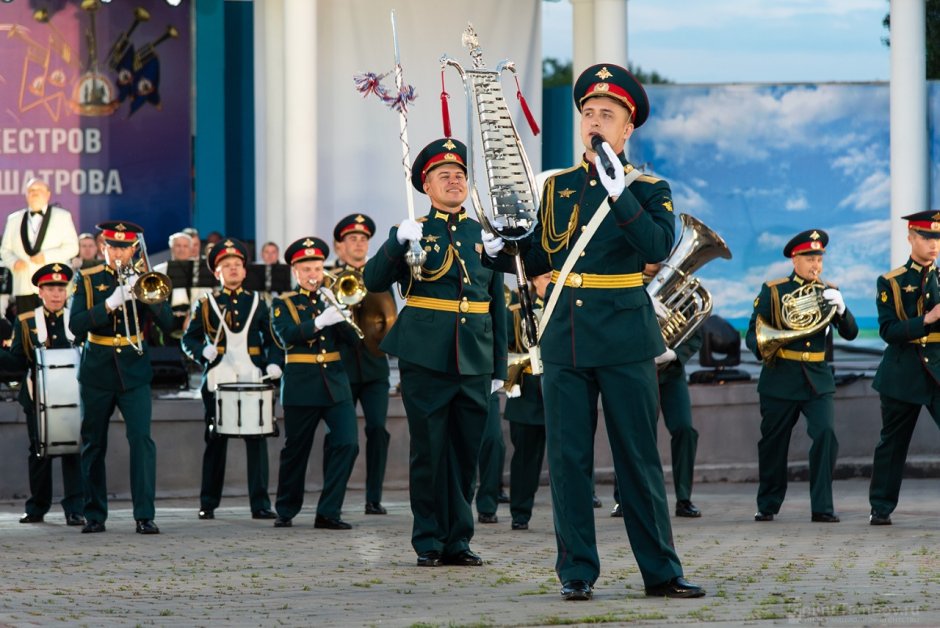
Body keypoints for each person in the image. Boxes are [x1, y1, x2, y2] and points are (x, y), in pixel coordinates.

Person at [481, 64, 703, 600]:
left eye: (608, 114)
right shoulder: (553, 186)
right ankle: (576, 571)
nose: (596, 122)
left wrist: (617, 191)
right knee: (568, 459)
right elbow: (532, 254)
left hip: (625, 334)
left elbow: (655, 247)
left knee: (637, 458)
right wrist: (498, 250)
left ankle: (661, 571)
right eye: (589, 113)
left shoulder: (649, 188)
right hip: (566, 336)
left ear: (629, 129)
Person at [364, 137, 507, 568]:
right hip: (426, 355)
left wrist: (498, 365)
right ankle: (428, 538)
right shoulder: (412, 230)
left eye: (460, 175)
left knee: (467, 452)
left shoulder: (483, 234)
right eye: (443, 176)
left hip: (475, 356)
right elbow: (373, 280)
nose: (453, 181)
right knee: (429, 451)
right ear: (426, 185)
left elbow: (495, 303)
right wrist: (395, 243)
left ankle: (458, 540)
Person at [745, 229, 858, 523]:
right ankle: (768, 503)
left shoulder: (828, 291)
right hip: (780, 376)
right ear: (795, 259)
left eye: (819, 259)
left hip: (817, 378)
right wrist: (765, 343)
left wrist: (842, 308)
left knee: (826, 435)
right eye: (810, 259)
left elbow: (850, 333)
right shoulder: (774, 290)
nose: (816, 265)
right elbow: (752, 336)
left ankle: (822, 506)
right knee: (773, 443)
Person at [69, 221, 175, 534]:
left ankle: (145, 514)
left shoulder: (145, 277)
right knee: (94, 443)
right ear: (103, 246)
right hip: (98, 369)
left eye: (124, 247)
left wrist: (146, 297)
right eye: (113, 246)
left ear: (133, 249)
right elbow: (75, 326)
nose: (118, 252)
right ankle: (94, 514)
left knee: (142, 441)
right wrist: (110, 303)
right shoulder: (88, 278)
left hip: (135, 369)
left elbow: (168, 323)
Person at [181, 238, 281, 521]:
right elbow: (188, 339)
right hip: (218, 377)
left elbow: (274, 338)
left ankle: (260, 504)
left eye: (238, 265)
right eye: (227, 265)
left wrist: (275, 361)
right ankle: (208, 503)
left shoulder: (259, 302)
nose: (233, 269)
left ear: (245, 271)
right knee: (215, 439)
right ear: (217, 273)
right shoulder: (206, 302)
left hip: (252, 375)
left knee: (257, 439)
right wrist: (202, 350)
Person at [270, 237, 360, 530]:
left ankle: (329, 511)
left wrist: (344, 315)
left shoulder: (332, 296)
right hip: (301, 384)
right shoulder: (283, 303)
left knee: (347, 443)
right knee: (296, 449)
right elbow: (287, 335)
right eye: (307, 269)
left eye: (318, 268)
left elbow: (354, 341)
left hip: (335, 383)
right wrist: (320, 321)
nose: (313, 275)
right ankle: (286, 508)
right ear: (295, 270)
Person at [612, 262, 703, 519]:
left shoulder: (681, 288)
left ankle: (684, 498)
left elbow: (695, 330)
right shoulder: (626, 280)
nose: (657, 259)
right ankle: (624, 499)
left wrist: (675, 353)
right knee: (634, 432)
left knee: (685, 429)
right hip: (638, 372)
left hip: (671, 372)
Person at [869, 211, 940, 525]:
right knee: (893, 444)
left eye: (937, 238)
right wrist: (926, 319)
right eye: (927, 237)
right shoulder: (891, 281)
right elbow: (888, 331)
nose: (934, 244)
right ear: (911, 238)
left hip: (938, 371)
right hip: (903, 371)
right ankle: (880, 507)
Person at [3, 263, 84, 526]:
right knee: (39, 450)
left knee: (73, 451)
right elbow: (16, 361)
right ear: (40, 291)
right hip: (37, 396)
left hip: (73, 397)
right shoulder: (26, 321)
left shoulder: (78, 319)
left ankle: (75, 508)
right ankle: (37, 506)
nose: (56, 294)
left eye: (61, 288)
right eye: (50, 288)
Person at [326, 214, 392, 515]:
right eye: (352, 239)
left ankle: (373, 497)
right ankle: (332, 497)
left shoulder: (379, 276)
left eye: (363, 239)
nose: (359, 243)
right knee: (339, 435)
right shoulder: (329, 278)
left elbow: (387, 317)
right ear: (340, 247)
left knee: (378, 429)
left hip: (375, 366)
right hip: (343, 367)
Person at [503, 272, 551, 531]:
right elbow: (504, 344)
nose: (550, 280)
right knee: (525, 459)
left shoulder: (563, 304)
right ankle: (520, 512)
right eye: (545, 277)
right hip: (527, 390)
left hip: (557, 388)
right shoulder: (516, 310)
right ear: (532, 279)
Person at [1, 178, 79, 315]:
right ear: (26, 194)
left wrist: (46, 256)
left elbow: (73, 247)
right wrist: (13, 262)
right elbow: (5, 250)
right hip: (23, 286)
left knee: (54, 330)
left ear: (48, 194)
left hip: (53, 283)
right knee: (27, 329)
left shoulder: (62, 216)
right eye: (31, 190)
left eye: (39, 190)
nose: (35, 193)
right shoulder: (14, 219)